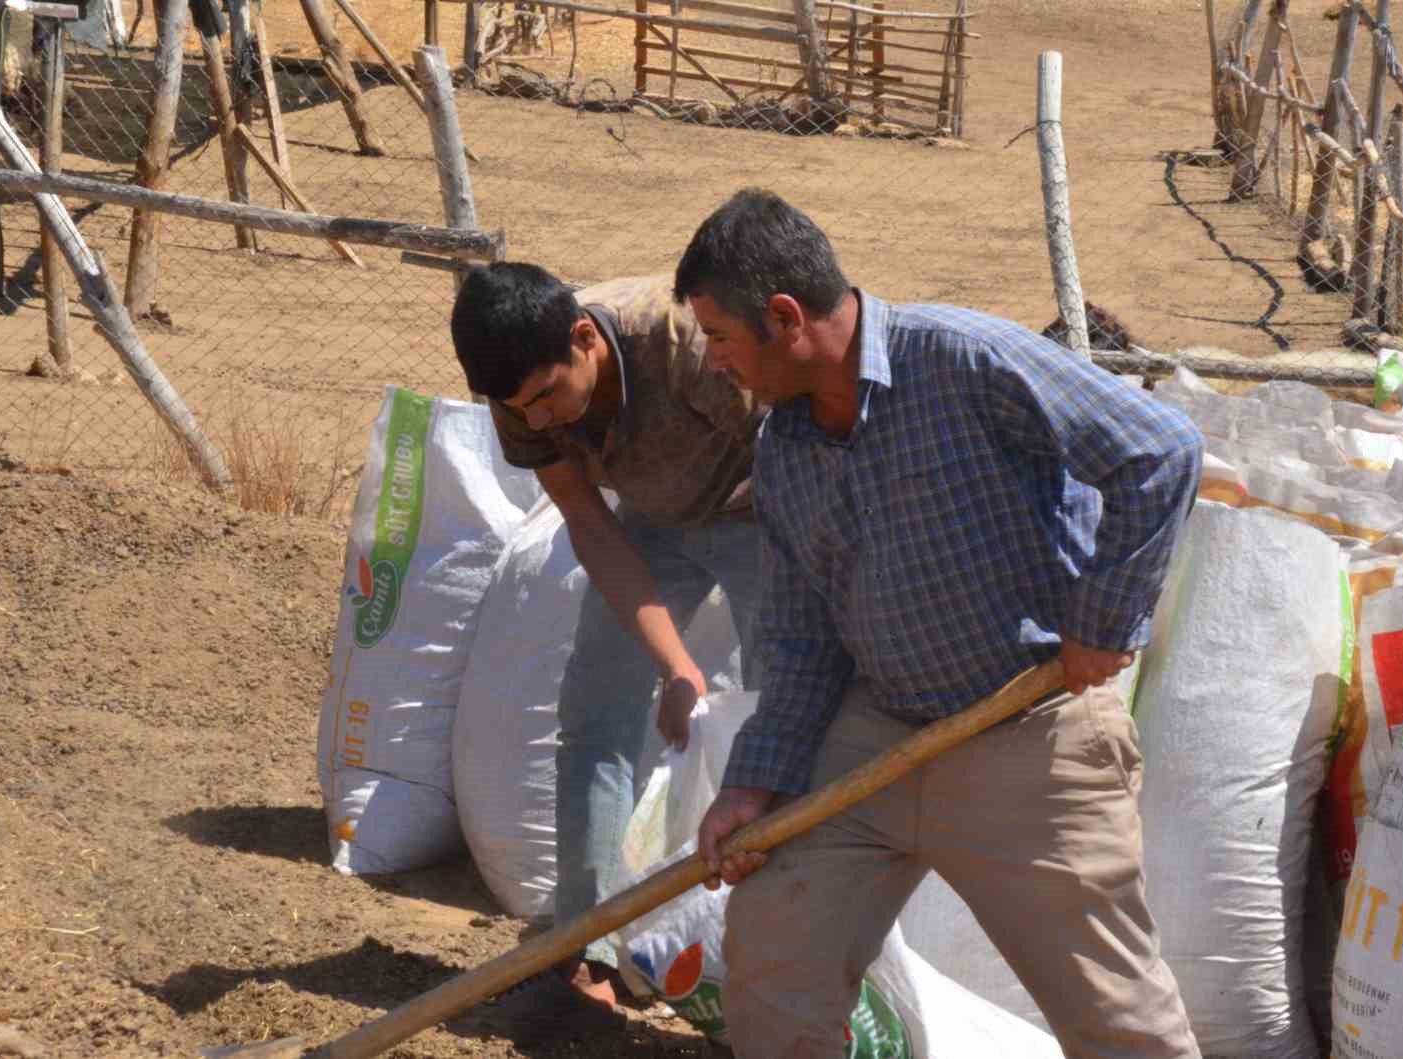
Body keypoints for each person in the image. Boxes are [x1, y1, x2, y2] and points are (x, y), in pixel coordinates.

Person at [673, 189, 1205, 1059]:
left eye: (722, 339)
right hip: (875, 737)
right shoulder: (784, 451)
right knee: (773, 958)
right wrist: (750, 786)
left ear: (784, 317)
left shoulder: (964, 359)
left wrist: (1103, 618)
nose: (714, 362)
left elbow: (1160, 449)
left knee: (1120, 1025)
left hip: (1026, 729)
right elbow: (804, 642)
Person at [451, 263, 765, 1031]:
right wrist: (676, 664)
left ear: (585, 339)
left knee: (784, 718)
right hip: (654, 520)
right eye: (524, 409)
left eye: (550, 397)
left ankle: (774, 953)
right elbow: (593, 527)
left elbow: (802, 449)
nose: (543, 421)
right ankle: (587, 948)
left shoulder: (684, 341)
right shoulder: (520, 399)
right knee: (593, 714)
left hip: (765, 511)